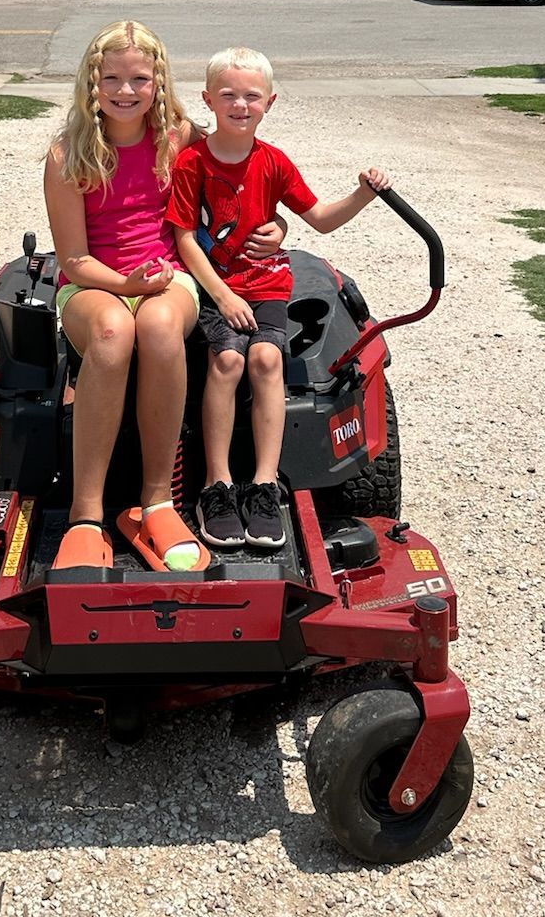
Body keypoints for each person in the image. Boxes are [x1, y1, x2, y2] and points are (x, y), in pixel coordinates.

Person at [42, 20, 287, 575]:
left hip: (168, 273)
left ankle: (157, 501)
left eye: (139, 79)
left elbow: (239, 169)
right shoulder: (65, 156)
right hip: (95, 282)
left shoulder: (178, 136)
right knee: (111, 331)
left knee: (156, 327)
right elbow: (73, 260)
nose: (125, 91)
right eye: (112, 78)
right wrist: (127, 285)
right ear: (91, 82)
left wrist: (274, 227)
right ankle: (86, 515)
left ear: (158, 83)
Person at [167, 46, 390, 552]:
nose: (240, 105)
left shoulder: (273, 162)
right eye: (228, 95)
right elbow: (183, 238)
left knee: (267, 358)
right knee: (226, 360)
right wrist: (220, 296)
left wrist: (363, 194)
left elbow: (322, 218)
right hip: (212, 287)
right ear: (208, 100)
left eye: (251, 96)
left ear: (270, 102)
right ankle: (216, 485)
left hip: (265, 283)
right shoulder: (191, 164)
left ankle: (265, 484)